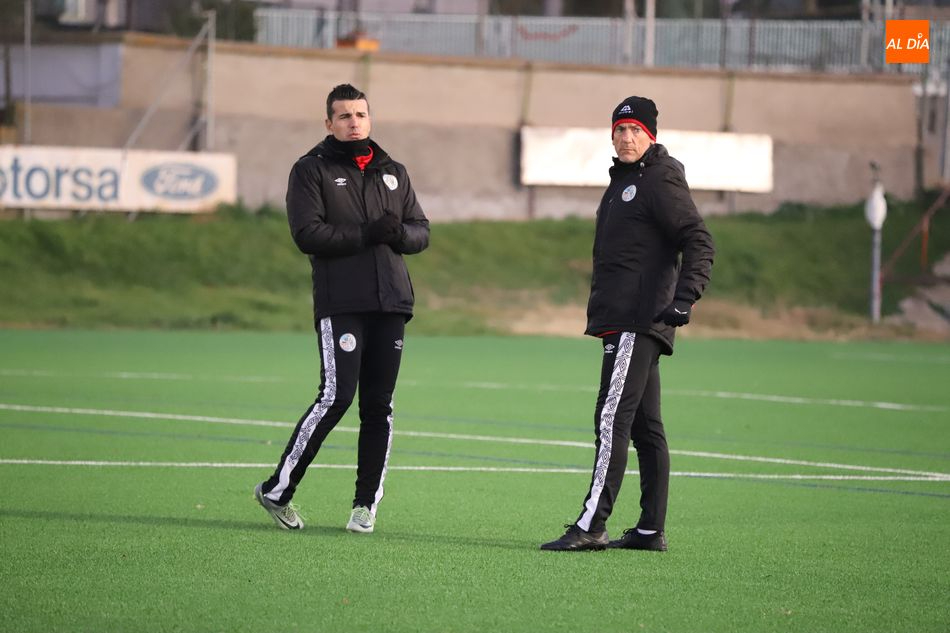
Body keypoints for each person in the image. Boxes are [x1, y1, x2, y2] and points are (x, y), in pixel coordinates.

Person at [540, 96, 714, 552]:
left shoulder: (659, 177)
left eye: (636, 129)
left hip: (639, 320)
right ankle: (650, 530)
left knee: (611, 417)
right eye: (620, 129)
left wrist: (684, 298)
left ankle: (591, 525)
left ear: (651, 134)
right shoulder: (622, 182)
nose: (627, 136)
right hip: (625, 318)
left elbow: (698, 239)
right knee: (644, 427)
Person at [254, 83, 429, 533]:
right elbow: (307, 234)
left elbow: (420, 231)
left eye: (361, 114)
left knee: (379, 406)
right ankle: (277, 490)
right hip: (342, 303)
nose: (354, 122)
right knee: (336, 396)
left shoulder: (394, 171)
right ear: (329, 123)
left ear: (370, 119)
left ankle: (365, 505)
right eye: (345, 116)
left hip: (391, 303)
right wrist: (367, 233)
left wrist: (398, 235)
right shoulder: (310, 169)